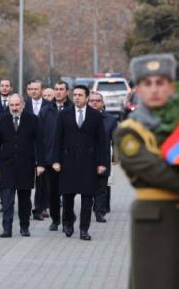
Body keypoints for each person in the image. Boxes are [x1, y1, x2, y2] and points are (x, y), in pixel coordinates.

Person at [114, 53, 179, 289]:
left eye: (161, 82)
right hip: (155, 221)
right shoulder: (129, 132)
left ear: (171, 86)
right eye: (147, 84)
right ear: (137, 88)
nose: (154, 90)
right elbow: (159, 173)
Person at [52, 85, 106, 241]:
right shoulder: (64, 115)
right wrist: (56, 160)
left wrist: (102, 163)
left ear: (87, 97)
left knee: (87, 198)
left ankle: (84, 229)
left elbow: (101, 141)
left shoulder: (95, 116)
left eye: (80, 95)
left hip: (88, 163)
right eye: (74, 94)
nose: (76, 97)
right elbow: (57, 139)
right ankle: (68, 223)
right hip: (67, 162)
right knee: (68, 197)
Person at [0, 94, 44, 238]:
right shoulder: (3, 119)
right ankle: (7, 228)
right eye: (11, 105)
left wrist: (40, 164)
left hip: (26, 165)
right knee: (7, 200)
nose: (14, 108)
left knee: (25, 201)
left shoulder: (33, 120)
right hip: (6, 166)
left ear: (23, 105)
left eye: (16, 105)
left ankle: (24, 227)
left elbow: (39, 143)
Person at [38, 80, 73, 231]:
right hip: (50, 158)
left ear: (67, 91)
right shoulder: (46, 110)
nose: (58, 92)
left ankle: (67, 221)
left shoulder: (73, 109)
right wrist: (40, 158)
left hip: (69, 158)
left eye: (61, 89)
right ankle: (55, 219)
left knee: (68, 192)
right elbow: (40, 136)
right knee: (52, 192)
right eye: (56, 89)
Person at [88, 91, 117, 223]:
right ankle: (87, 210)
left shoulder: (110, 120)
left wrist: (116, 155)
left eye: (98, 100)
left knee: (102, 188)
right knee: (87, 187)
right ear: (88, 102)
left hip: (103, 158)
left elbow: (115, 139)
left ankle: (99, 212)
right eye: (92, 100)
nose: (94, 102)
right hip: (85, 158)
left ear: (103, 103)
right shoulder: (82, 117)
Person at [24, 79, 50, 220]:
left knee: (42, 182)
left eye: (36, 89)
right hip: (27, 149)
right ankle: (26, 208)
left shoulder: (49, 106)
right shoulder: (24, 105)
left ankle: (40, 209)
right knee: (27, 181)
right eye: (31, 89)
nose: (33, 91)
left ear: (41, 90)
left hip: (43, 149)